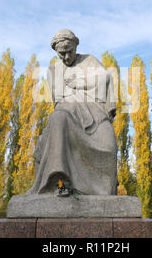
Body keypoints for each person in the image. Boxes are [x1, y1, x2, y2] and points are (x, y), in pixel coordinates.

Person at [26, 29, 118, 196]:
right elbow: (61, 101)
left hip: (96, 115)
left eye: (70, 51)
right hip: (70, 116)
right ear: (56, 52)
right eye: (62, 53)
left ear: (76, 46)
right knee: (58, 118)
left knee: (110, 147)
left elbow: (105, 79)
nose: (67, 57)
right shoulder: (54, 70)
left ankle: (103, 190)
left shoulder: (90, 61)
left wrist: (80, 83)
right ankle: (60, 182)